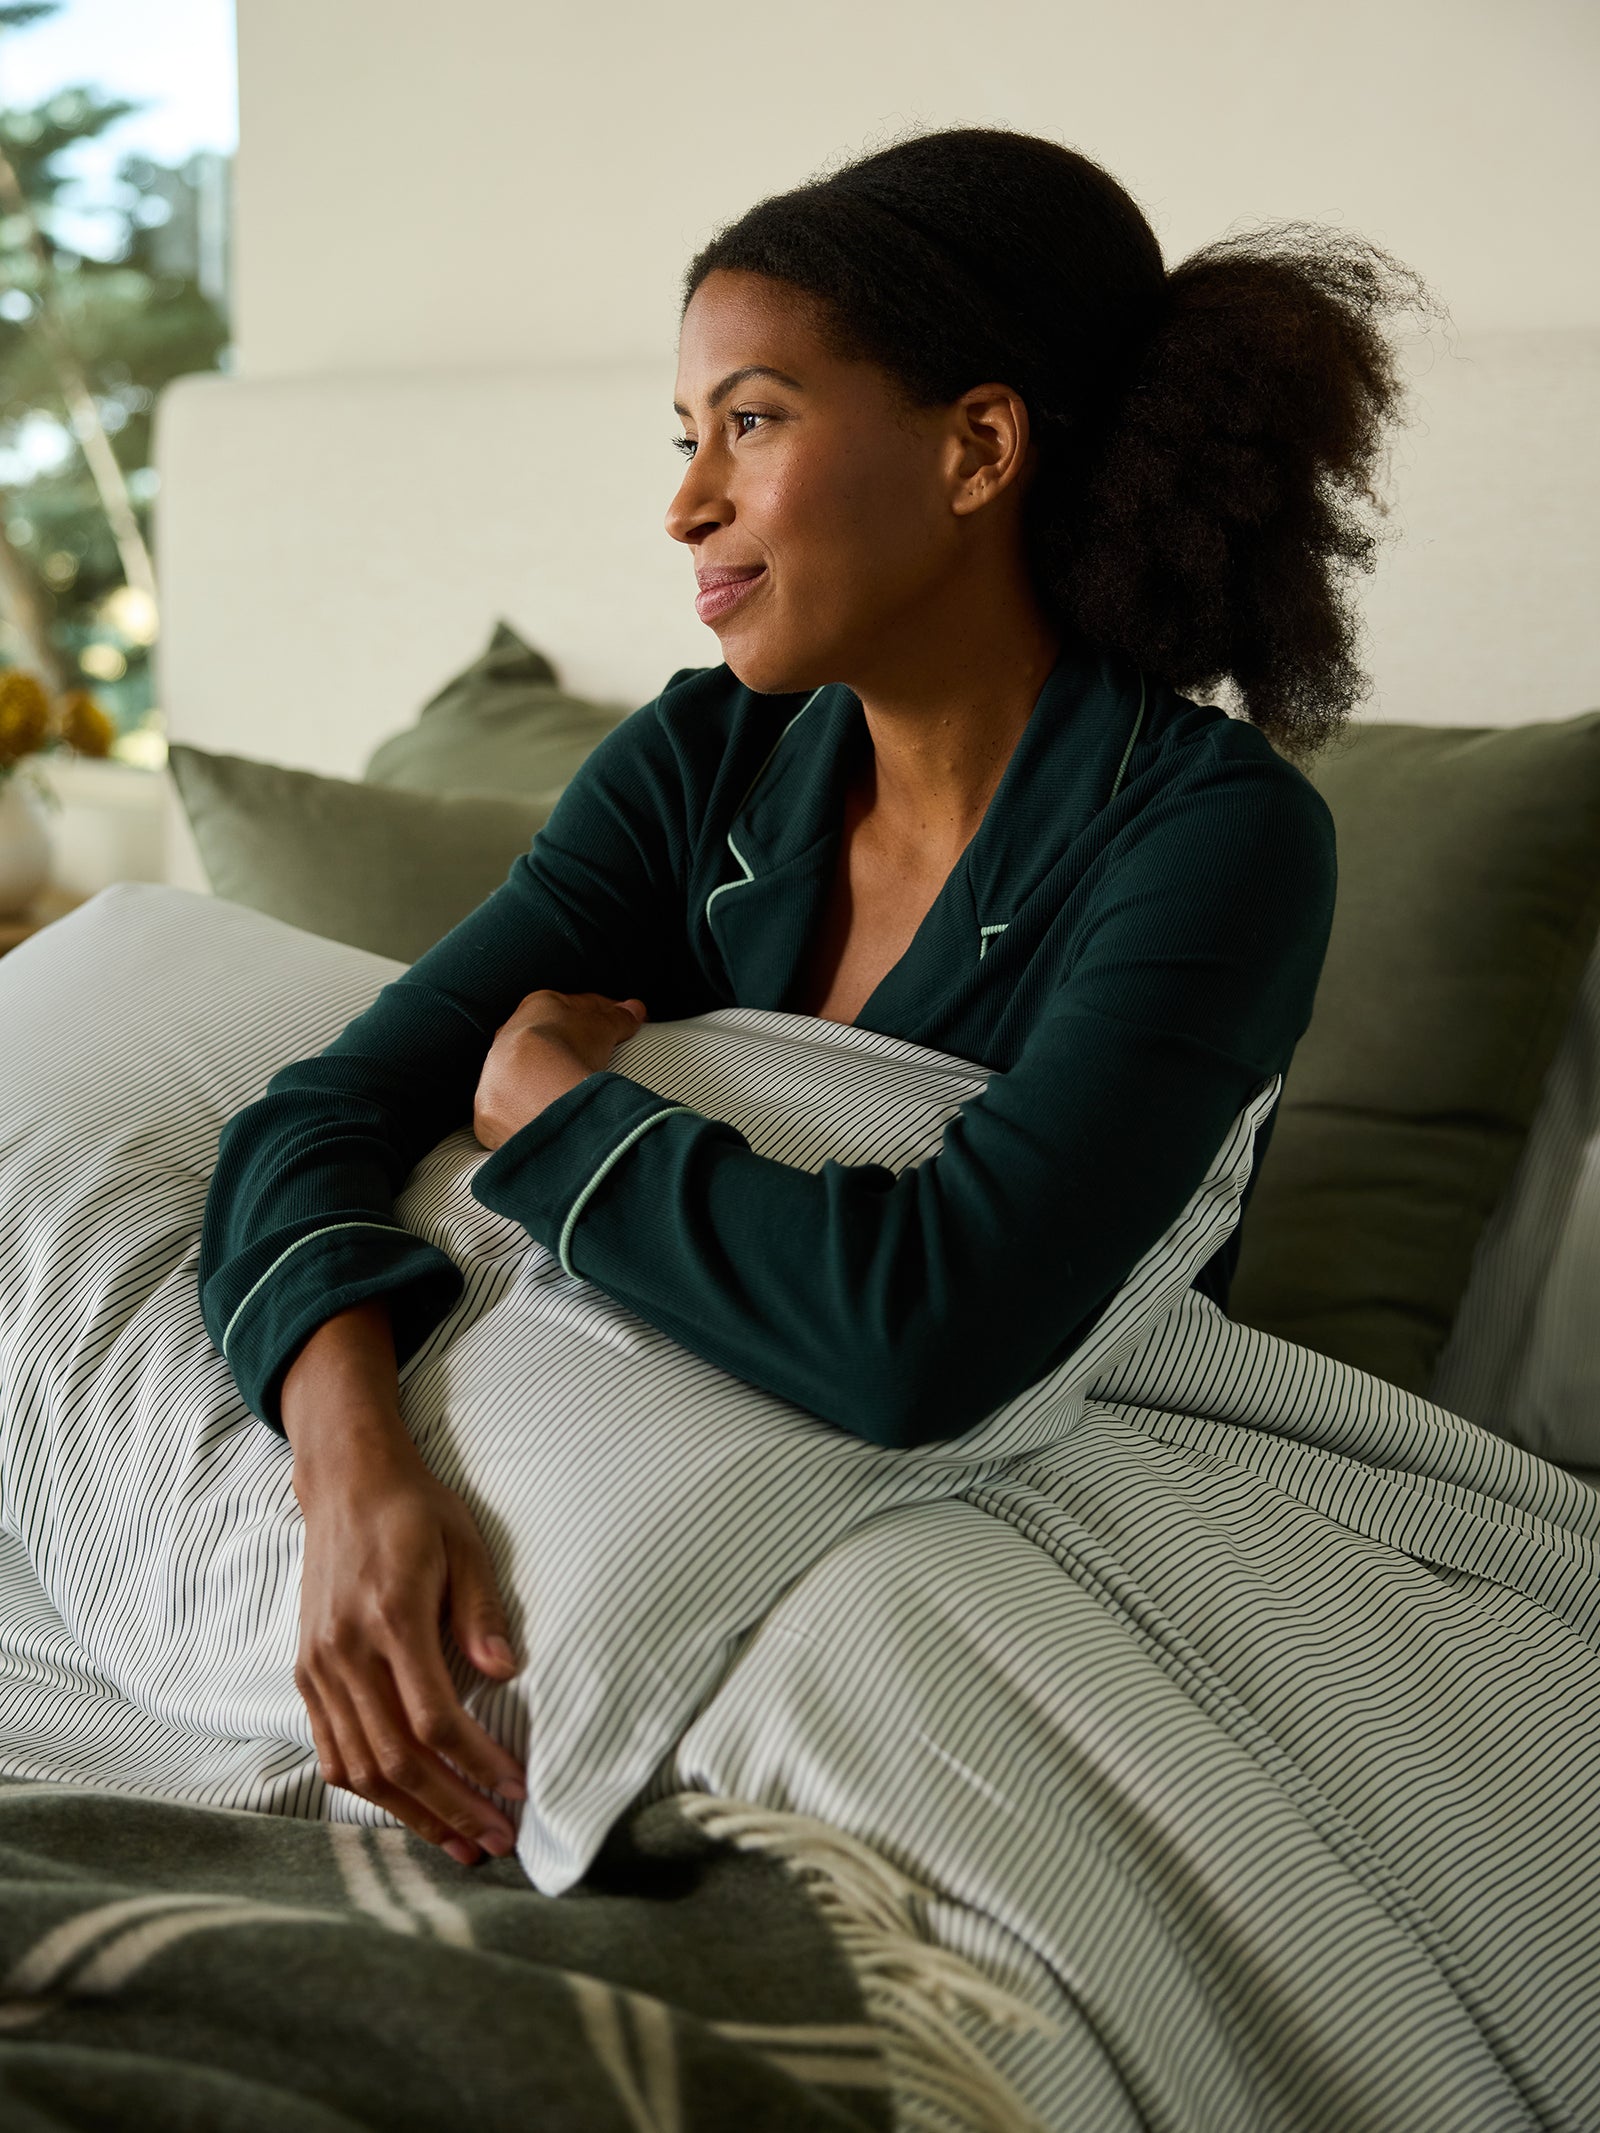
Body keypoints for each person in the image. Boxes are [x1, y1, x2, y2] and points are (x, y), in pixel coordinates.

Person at [199, 128, 1423, 1870]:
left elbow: (928, 1329)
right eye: (687, 435)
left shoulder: (1214, 839)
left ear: (977, 445)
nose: (687, 500)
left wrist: (555, 1113)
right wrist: (351, 1464)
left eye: (753, 419)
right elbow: (316, 1117)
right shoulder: (698, 762)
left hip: (999, 1533)